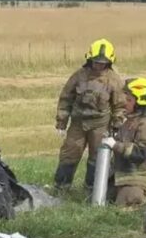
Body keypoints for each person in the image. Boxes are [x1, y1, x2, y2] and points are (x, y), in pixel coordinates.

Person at [53, 39, 126, 191]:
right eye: (96, 61)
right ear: (89, 59)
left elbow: (120, 106)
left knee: (98, 157)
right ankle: (61, 187)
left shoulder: (114, 80)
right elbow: (66, 98)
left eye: (102, 62)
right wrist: (61, 122)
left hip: (100, 125)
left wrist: (117, 125)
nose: (98, 65)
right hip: (77, 124)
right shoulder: (79, 76)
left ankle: (92, 189)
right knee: (69, 154)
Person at [102, 77, 146, 207]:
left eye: (129, 100)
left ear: (141, 103)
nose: (125, 103)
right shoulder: (130, 119)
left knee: (126, 204)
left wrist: (115, 145)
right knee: (102, 199)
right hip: (122, 174)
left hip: (139, 175)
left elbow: (140, 153)